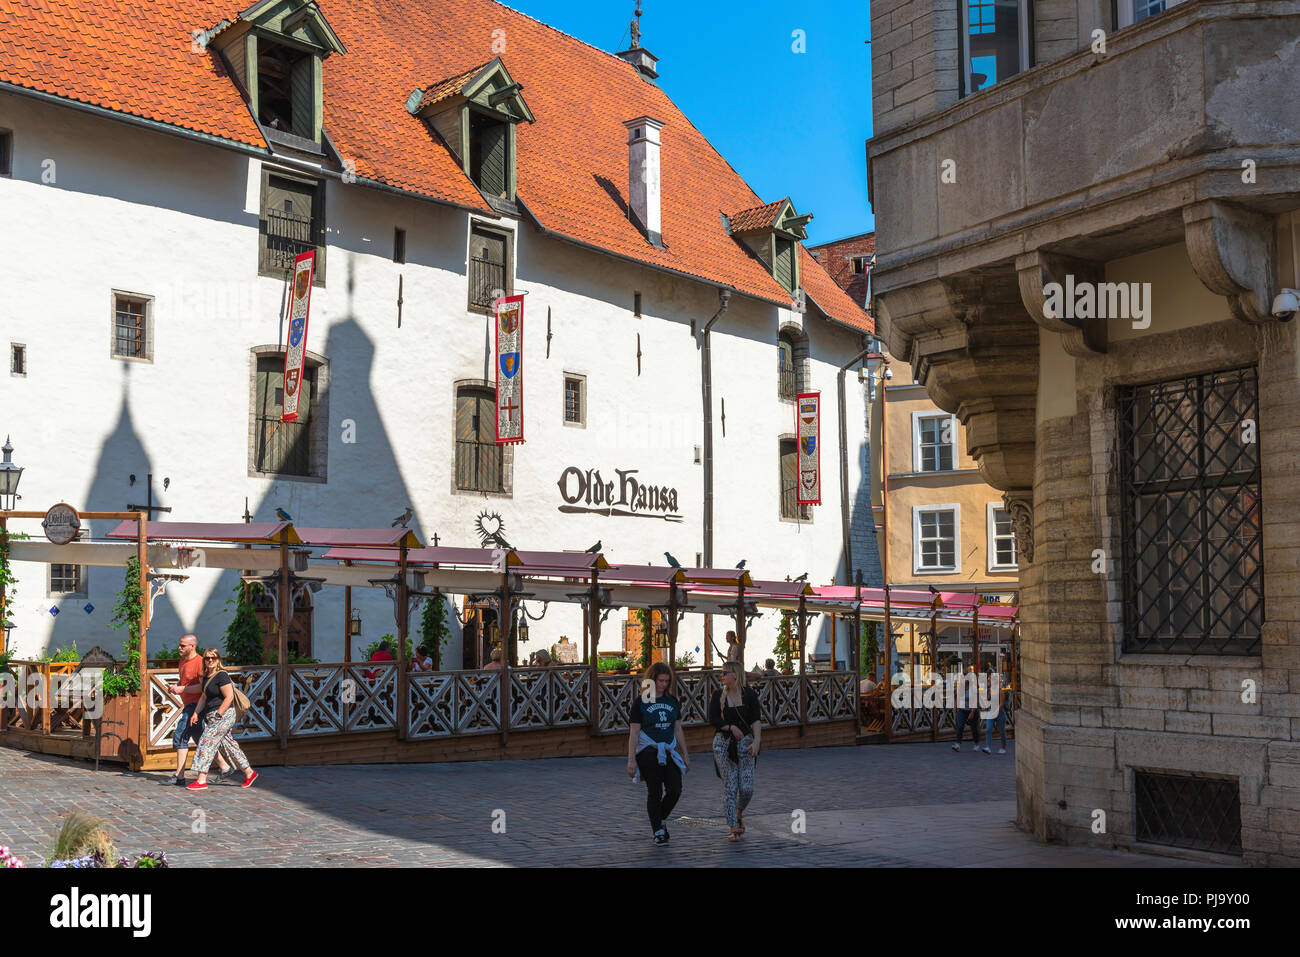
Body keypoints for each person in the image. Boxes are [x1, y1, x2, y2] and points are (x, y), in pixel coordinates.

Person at [626, 661, 689, 845]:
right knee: (654, 791)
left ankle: (659, 818)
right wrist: (631, 760)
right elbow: (634, 732)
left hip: (668, 749)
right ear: (652, 680)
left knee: (675, 789)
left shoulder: (672, 701)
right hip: (648, 751)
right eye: (660, 680)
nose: (663, 684)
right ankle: (658, 831)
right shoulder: (642, 702)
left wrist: (685, 753)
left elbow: (677, 729)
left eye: (666, 681)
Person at [186, 649, 257, 791]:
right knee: (228, 745)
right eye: (207, 658)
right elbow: (204, 697)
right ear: (204, 660)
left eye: (213, 658)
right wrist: (196, 713)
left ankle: (201, 780)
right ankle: (249, 772)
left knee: (206, 741)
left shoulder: (222, 676)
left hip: (224, 715)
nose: (210, 660)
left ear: (218, 659)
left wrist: (219, 714)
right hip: (212, 716)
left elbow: (229, 697)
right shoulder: (206, 676)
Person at [165, 633, 231, 786]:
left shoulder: (200, 662)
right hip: (189, 703)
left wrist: (182, 689)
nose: (179, 648)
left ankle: (179, 776)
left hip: (197, 705)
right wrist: (176, 687)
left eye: (183, 645)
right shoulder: (182, 661)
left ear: (192, 646)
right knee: (201, 739)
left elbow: (203, 688)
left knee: (181, 735)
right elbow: (185, 681)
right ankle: (225, 767)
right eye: (179, 644)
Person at [709, 660, 761, 843]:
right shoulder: (718, 695)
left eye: (724, 673)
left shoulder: (749, 695)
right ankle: (733, 828)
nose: (721, 676)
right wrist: (730, 727)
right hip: (723, 744)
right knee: (730, 786)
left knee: (746, 787)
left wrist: (757, 742)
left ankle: (739, 812)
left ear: (735, 675)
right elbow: (713, 719)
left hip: (746, 743)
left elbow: (755, 720)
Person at [952, 665, 980, 752]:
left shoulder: (973, 688)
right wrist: (955, 708)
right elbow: (957, 698)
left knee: (974, 728)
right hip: (962, 710)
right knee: (960, 726)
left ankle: (976, 743)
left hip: (972, 710)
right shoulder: (960, 688)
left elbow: (975, 701)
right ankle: (958, 744)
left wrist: (972, 712)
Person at [982, 672, 1010, 755]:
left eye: (989, 679)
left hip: (999, 712)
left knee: (1001, 731)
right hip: (991, 711)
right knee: (988, 729)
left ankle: (1003, 747)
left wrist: (996, 711)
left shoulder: (1000, 691)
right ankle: (988, 747)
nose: (988, 680)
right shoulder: (990, 689)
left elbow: (1001, 703)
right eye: (988, 679)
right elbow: (988, 700)